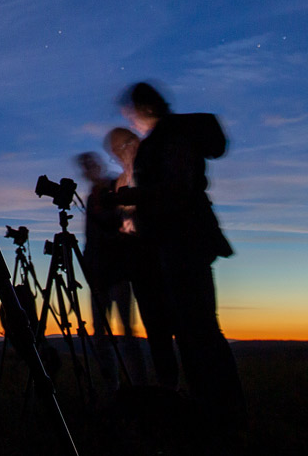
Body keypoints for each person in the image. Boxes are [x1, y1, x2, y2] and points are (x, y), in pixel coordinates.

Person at [118, 82, 245, 432]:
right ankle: (212, 407)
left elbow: (176, 187)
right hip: (180, 242)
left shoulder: (170, 137)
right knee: (193, 329)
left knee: (197, 329)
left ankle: (221, 412)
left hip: (182, 242)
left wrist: (134, 196)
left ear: (143, 107)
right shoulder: (170, 136)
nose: (129, 117)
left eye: (130, 111)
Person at [104, 127, 178, 390]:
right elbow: (121, 220)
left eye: (123, 147)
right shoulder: (121, 180)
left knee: (179, 326)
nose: (121, 154)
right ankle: (168, 389)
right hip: (137, 262)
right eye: (115, 152)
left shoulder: (153, 170)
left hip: (162, 256)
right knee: (156, 331)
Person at [76, 151, 147, 390]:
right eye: (85, 167)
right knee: (100, 336)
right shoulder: (92, 197)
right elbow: (90, 238)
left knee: (127, 335)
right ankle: (112, 389)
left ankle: (139, 387)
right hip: (98, 275)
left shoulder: (117, 187)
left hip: (118, 271)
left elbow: (129, 224)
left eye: (90, 165)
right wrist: (89, 269)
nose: (88, 170)